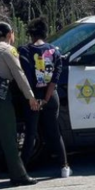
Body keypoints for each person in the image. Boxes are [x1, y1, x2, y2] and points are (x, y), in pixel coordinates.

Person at [0, 22, 39, 186]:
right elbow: (18, 74)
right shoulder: (8, 49)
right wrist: (30, 96)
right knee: (9, 138)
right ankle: (19, 176)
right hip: (0, 98)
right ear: (10, 34)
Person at [19, 17, 72, 178]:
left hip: (33, 97)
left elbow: (26, 77)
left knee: (31, 132)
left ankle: (22, 169)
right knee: (54, 132)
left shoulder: (25, 51)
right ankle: (64, 166)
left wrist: (34, 99)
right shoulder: (55, 51)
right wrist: (46, 99)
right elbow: (54, 80)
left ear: (31, 35)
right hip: (51, 97)